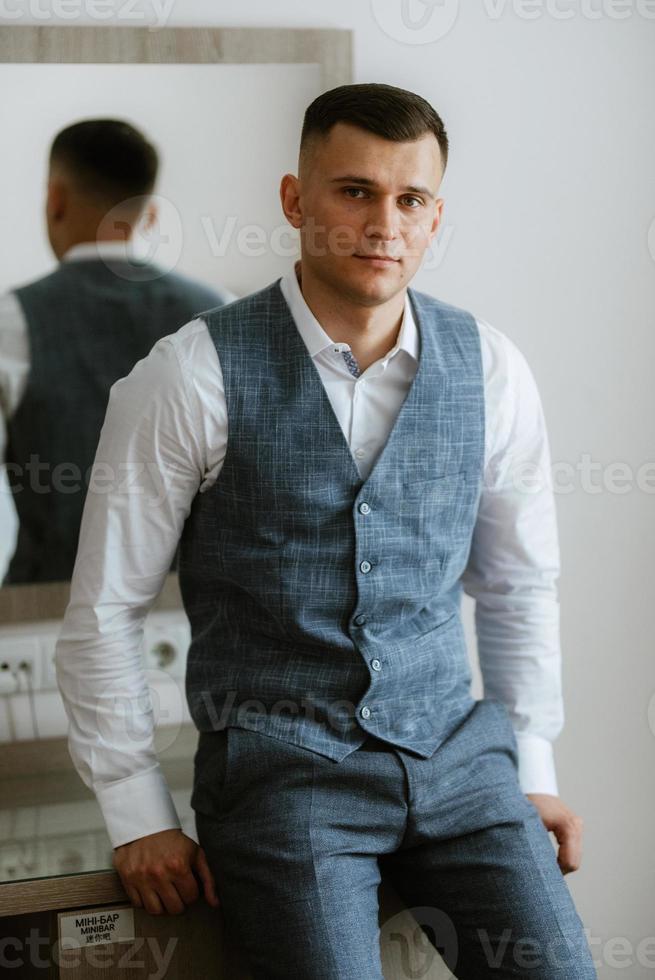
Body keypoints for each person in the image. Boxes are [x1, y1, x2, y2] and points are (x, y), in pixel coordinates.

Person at [54, 85, 597, 978]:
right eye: (354, 191)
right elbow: (106, 604)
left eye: (409, 198)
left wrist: (532, 764)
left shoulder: (490, 368)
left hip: (463, 768)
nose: (384, 222)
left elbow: (517, 583)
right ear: (294, 200)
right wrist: (135, 809)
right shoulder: (189, 375)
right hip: (283, 779)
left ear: (433, 216)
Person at [0, 118, 235, 584]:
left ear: (56, 200)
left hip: (45, 613)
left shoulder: (12, 320)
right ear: (149, 214)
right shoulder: (221, 311)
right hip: (190, 610)